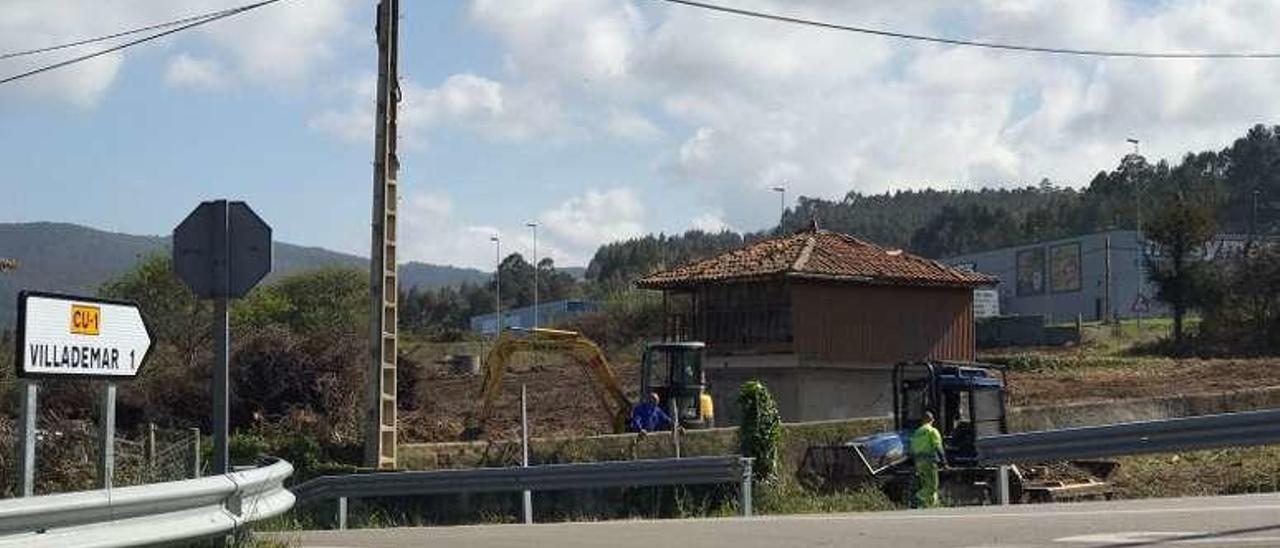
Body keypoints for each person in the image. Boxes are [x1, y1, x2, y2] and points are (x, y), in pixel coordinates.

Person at [910, 410, 946, 508]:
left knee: (925, 485)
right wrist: (944, 462)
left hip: (918, 462)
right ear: (932, 420)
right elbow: (938, 446)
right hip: (929, 462)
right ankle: (917, 497)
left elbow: (912, 449)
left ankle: (931, 505)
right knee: (932, 486)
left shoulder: (917, 432)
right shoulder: (932, 431)